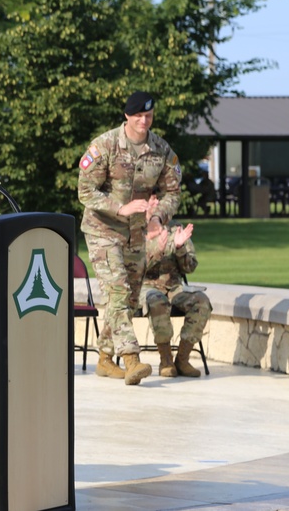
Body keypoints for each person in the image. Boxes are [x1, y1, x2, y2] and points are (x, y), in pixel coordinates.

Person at [78, 91, 181, 386]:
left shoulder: (160, 149)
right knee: (119, 292)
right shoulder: (104, 145)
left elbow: (172, 191)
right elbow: (85, 191)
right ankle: (131, 359)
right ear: (127, 116)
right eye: (138, 116)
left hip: (136, 233)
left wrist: (157, 216)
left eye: (148, 116)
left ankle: (105, 359)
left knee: (130, 297)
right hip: (103, 230)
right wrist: (119, 207)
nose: (143, 121)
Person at [143, 219, 212, 378]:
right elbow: (134, 267)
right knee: (156, 300)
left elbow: (190, 267)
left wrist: (180, 248)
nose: (155, 203)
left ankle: (182, 359)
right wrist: (159, 249)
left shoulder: (177, 229)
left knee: (201, 301)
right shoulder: (137, 229)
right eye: (151, 198)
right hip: (146, 287)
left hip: (175, 288)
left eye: (158, 198)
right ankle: (166, 360)